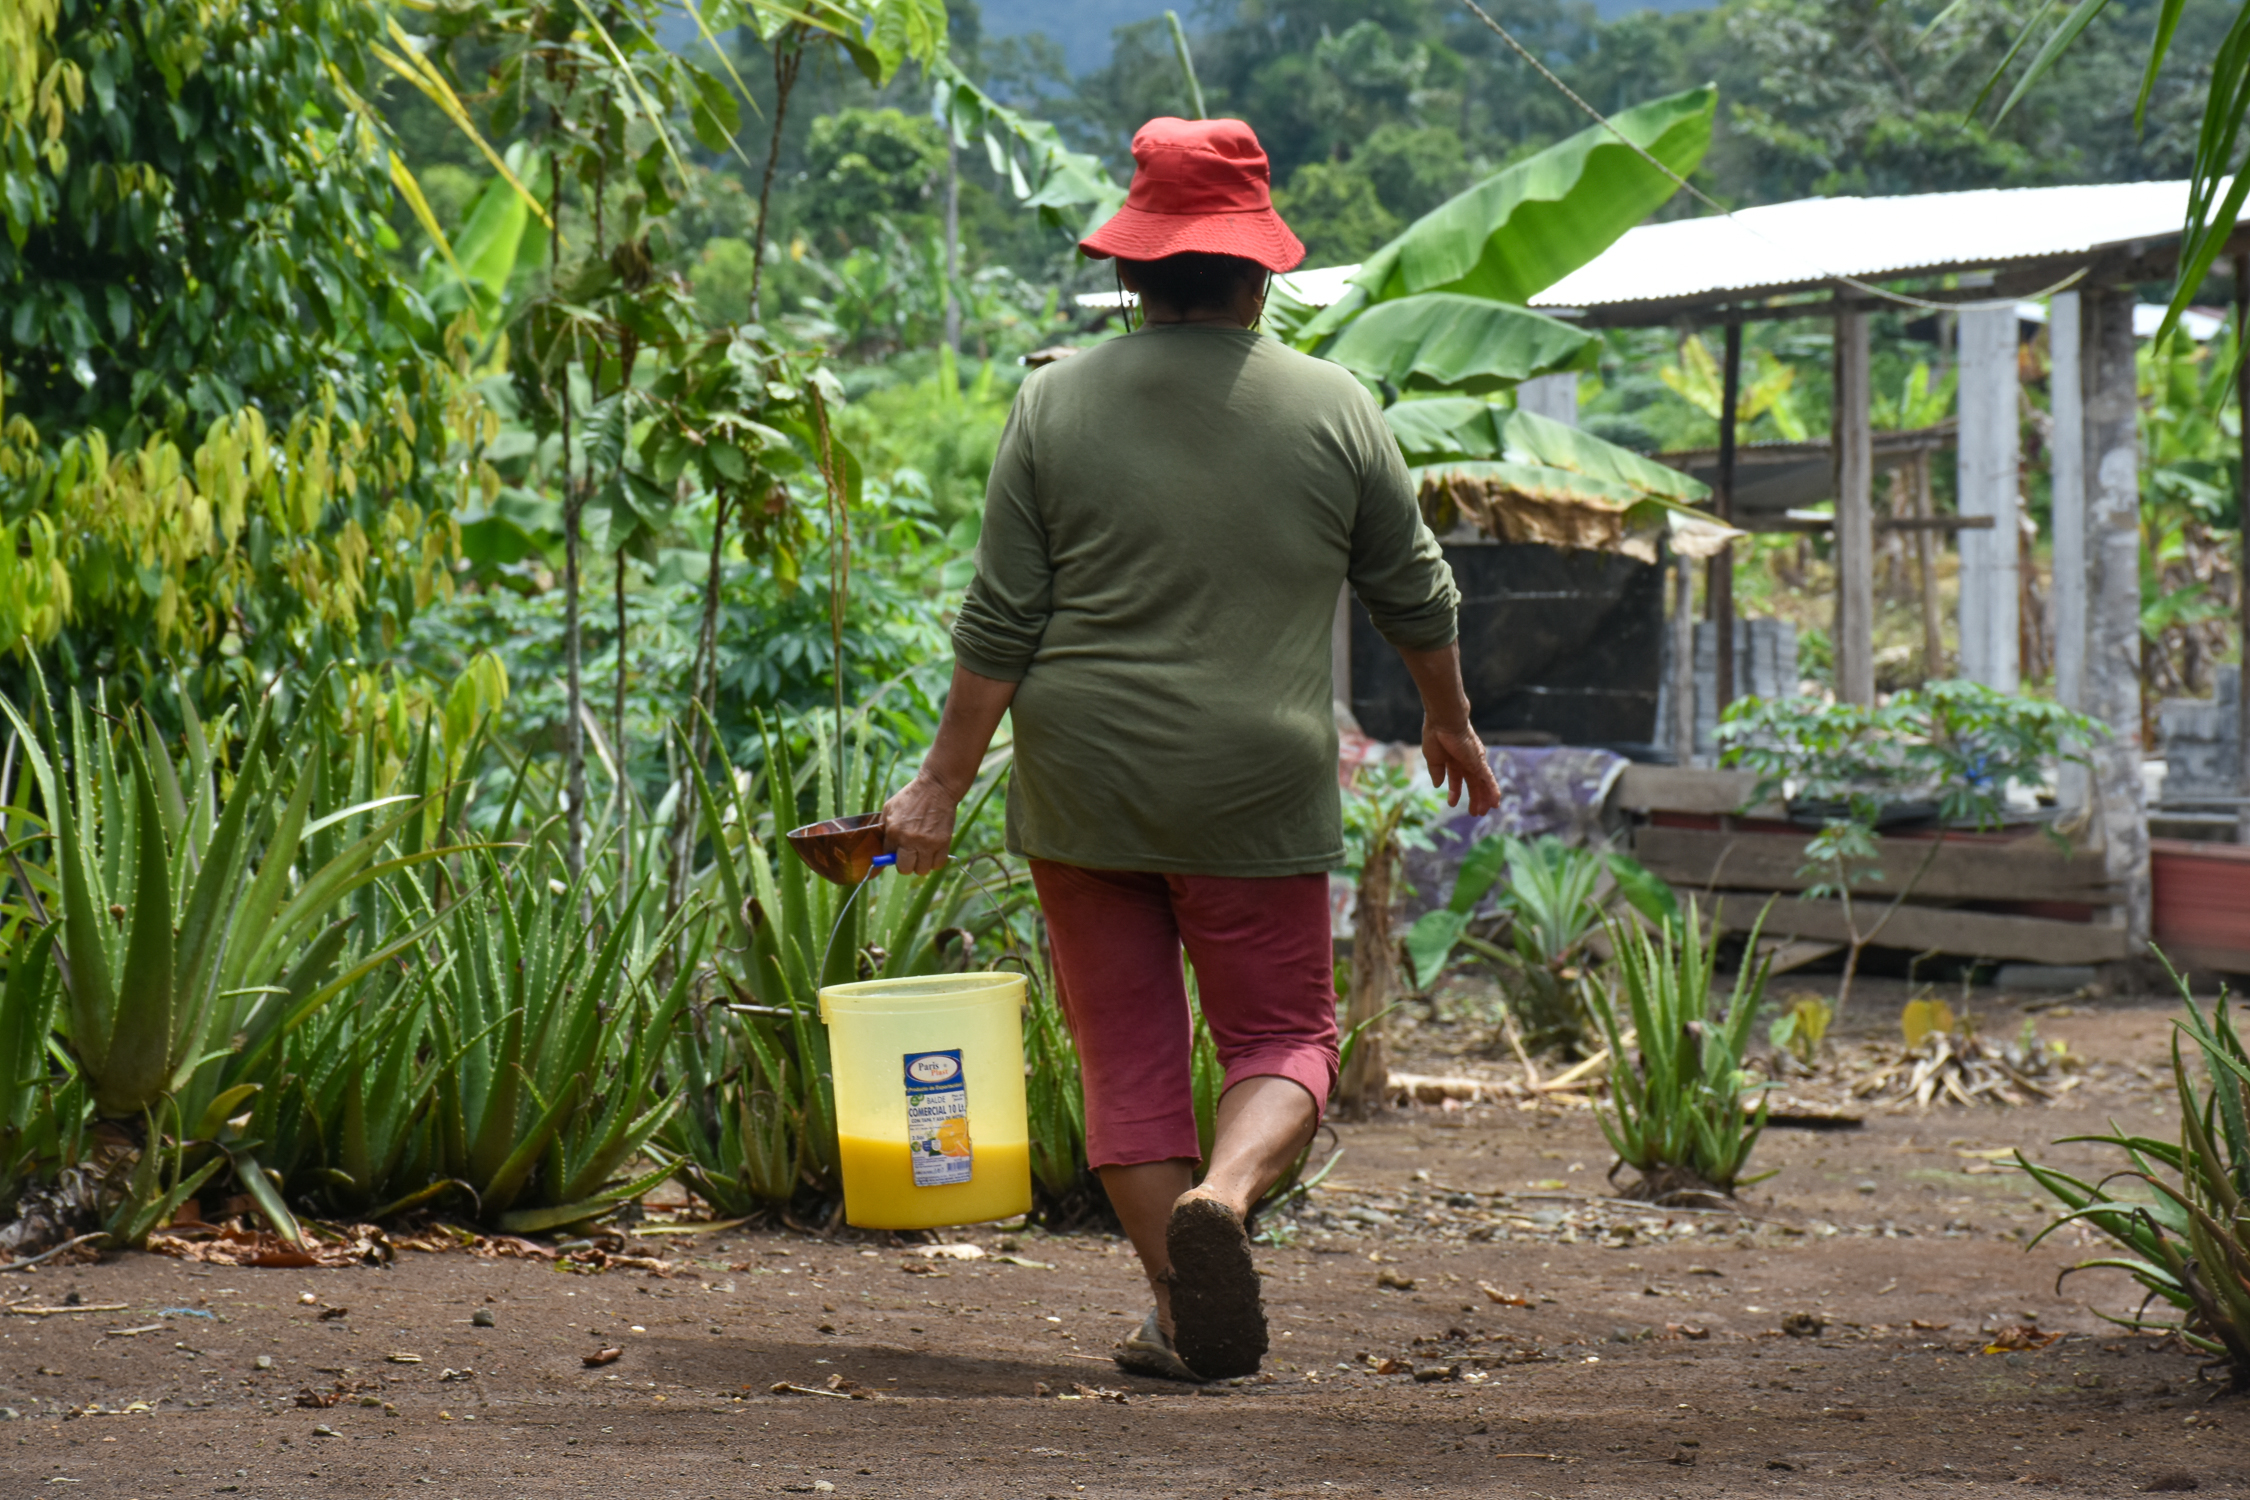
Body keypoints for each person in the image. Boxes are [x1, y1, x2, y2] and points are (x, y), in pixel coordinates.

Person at [881, 116, 1501, 1382]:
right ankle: (1226, 1194)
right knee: (1283, 1037)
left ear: (1132, 272)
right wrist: (1446, 714)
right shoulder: (1337, 405)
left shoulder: (1053, 400)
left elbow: (1001, 622)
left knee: (1127, 1066)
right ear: (1261, 269)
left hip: (1084, 784)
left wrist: (939, 782)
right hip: (1255, 782)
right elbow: (1416, 591)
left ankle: (1177, 1300)